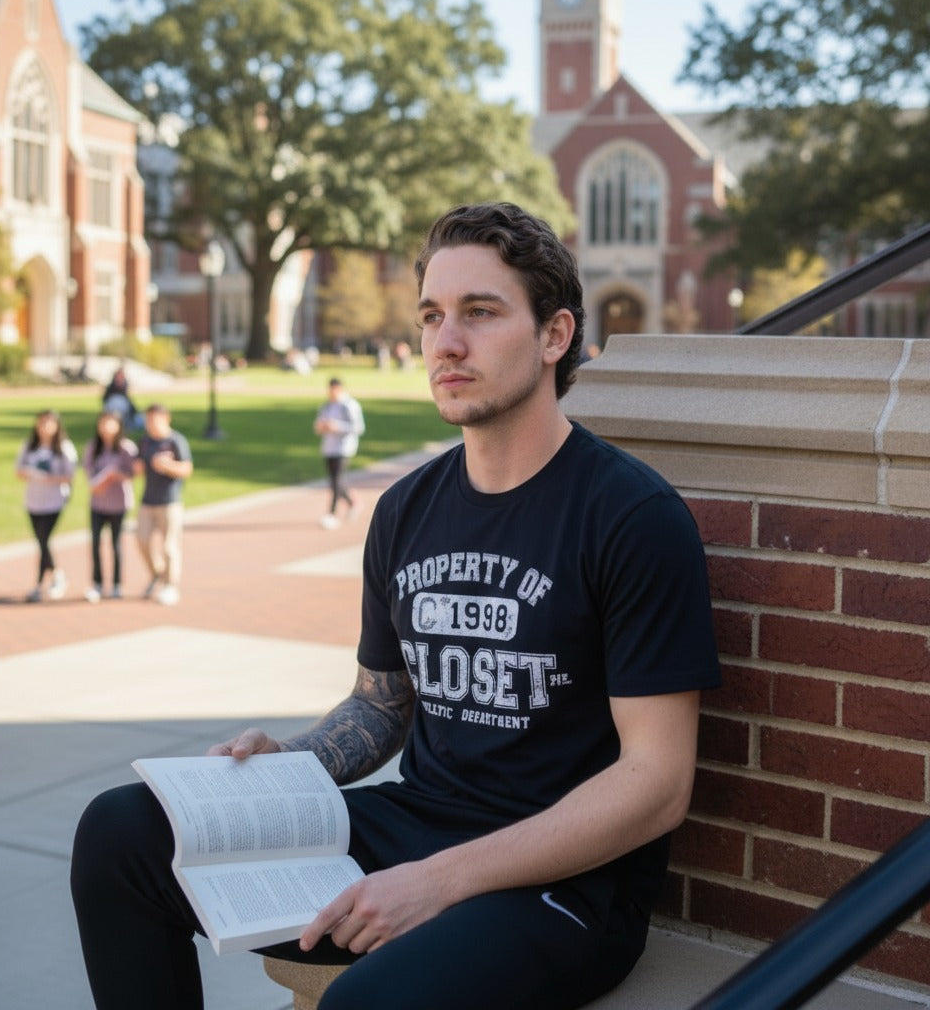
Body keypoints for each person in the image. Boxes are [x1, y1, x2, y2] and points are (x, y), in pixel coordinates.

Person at [71, 203, 720, 1010]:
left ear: (555, 337)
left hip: (563, 884)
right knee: (120, 834)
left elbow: (657, 783)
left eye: (480, 313)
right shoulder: (407, 509)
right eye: (432, 316)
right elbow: (382, 707)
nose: (446, 343)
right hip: (414, 824)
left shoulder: (628, 516)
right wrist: (291, 766)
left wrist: (438, 883)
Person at [15, 409, 77, 602]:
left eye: (49, 423)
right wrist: (30, 473)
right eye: (41, 423)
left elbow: (70, 476)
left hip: (54, 501)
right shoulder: (30, 446)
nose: (45, 427)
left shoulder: (64, 447)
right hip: (33, 501)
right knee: (42, 543)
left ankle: (41, 584)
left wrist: (48, 478)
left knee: (44, 541)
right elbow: (18, 471)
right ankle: (55, 576)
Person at [133, 403, 193, 606]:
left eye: (155, 419)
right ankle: (156, 574)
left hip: (170, 501)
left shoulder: (176, 441)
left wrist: (168, 466)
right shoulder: (145, 442)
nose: (151, 424)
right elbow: (138, 467)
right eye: (148, 419)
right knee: (142, 540)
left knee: (169, 546)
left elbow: (187, 469)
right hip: (148, 501)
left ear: (166, 418)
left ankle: (171, 584)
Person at [83, 410, 138, 603]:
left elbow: (133, 474)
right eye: (103, 423)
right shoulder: (93, 447)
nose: (106, 427)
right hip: (98, 504)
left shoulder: (126, 448)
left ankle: (116, 584)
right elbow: (89, 476)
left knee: (116, 544)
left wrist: (117, 475)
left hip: (119, 504)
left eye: (110, 423)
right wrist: (101, 482)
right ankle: (97, 583)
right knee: (96, 544)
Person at [313, 377, 365, 529]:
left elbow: (358, 427)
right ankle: (352, 502)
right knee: (335, 480)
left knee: (336, 480)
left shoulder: (349, 405)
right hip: (329, 447)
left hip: (344, 448)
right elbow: (318, 425)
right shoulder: (327, 406)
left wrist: (337, 427)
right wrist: (322, 427)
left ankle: (332, 514)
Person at [102, 365, 142, 432]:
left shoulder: (124, 385)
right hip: (114, 408)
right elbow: (105, 399)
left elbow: (128, 400)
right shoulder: (111, 387)